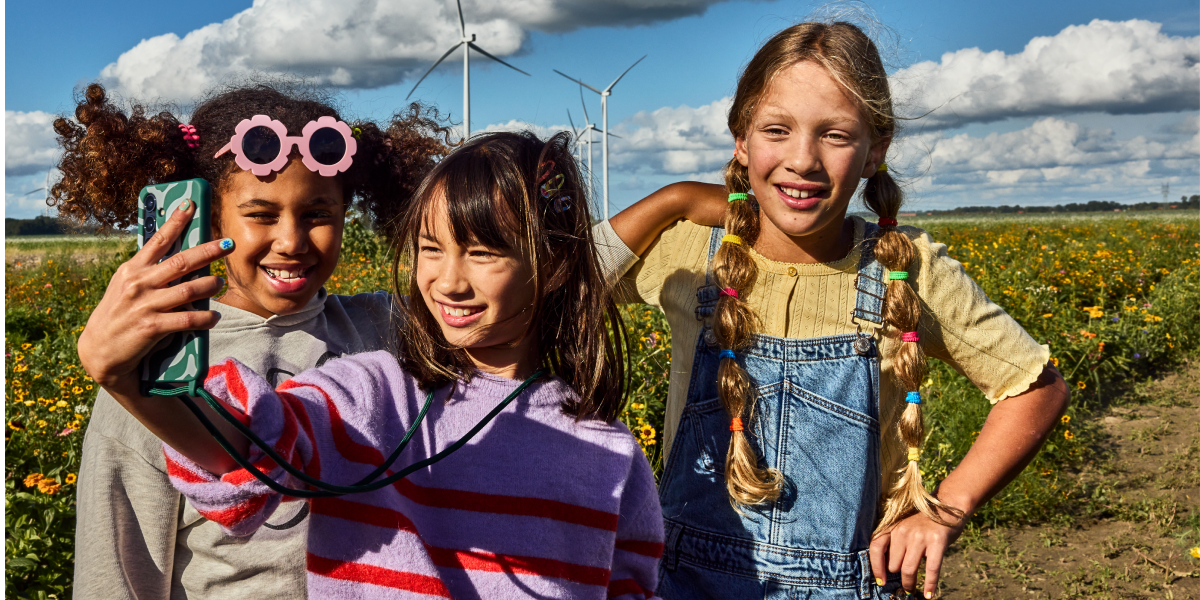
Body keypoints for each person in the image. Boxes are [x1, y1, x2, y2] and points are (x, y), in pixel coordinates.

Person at [94, 131, 668, 599]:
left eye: (484, 252)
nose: (448, 281)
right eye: (429, 247)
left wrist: (672, 201)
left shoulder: (613, 452)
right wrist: (132, 385)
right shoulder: (373, 390)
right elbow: (253, 447)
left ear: (557, 262)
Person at [607, 21, 1070, 599]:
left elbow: (1035, 386)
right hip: (681, 581)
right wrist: (671, 199)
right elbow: (550, 283)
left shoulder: (905, 269)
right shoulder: (687, 251)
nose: (803, 159)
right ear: (740, 140)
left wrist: (944, 511)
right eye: (776, 130)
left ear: (876, 150)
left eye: (835, 135)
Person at [59, 81, 452, 599]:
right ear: (207, 219)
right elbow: (117, 574)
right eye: (261, 215)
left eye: (318, 215)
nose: (291, 241)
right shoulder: (157, 369)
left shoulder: (388, 328)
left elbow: (520, 291)